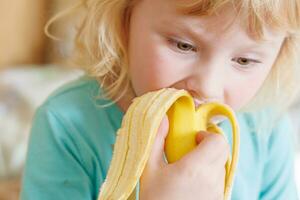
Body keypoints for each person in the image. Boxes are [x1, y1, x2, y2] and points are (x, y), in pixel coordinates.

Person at [20, 0, 300, 199]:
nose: (208, 88)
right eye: (184, 45)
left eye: (244, 60)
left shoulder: (265, 128)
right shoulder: (66, 125)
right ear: (124, 20)